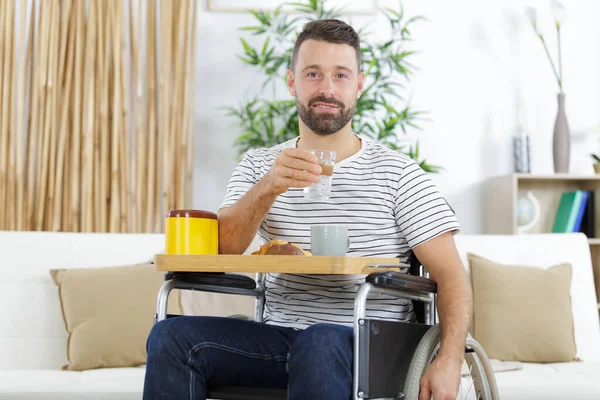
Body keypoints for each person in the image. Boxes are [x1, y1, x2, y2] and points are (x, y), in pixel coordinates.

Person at [143, 19, 472, 400]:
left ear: (359, 85)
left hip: (372, 344)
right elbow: (222, 252)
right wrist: (269, 186)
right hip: (281, 339)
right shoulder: (259, 165)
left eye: (341, 75)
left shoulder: (398, 174)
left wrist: (449, 360)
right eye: (313, 73)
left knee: (319, 342)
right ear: (292, 82)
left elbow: (452, 278)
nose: (327, 89)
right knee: (171, 337)